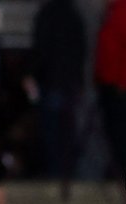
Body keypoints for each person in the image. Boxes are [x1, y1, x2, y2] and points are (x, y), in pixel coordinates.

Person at [28, 0, 87, 179]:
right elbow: (81, 50)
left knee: (52, 132)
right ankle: (67, 173)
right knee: (67, 130)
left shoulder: (46, 15)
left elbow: (40, 48)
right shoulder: (75, 16)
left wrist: (32, 73)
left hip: (52, 81)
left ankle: (55, 173)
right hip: (69, 83)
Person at [94, 0, 126, 179]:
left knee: (122, 133)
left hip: (120, 86)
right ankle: (114, 169)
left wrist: (124, 81)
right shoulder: (110, 11)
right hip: (107, 83)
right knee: (110, 131)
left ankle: (124, 172)